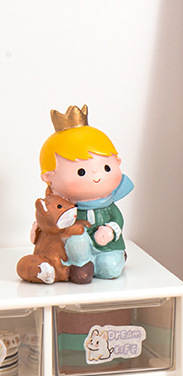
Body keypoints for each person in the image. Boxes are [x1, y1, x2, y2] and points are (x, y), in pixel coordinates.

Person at [39, 105, 133, 281]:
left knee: (109, 268)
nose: (96, 177)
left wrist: (110, 231)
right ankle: (80, 266)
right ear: (49, 178)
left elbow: (117, 219)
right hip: (71, 251)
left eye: (107, 168)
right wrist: (39, 227)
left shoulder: (107, 205)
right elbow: (50, 222)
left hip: (107, 247)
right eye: (81, 172)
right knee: (76, 238)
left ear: (117, 162)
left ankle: (116, 258)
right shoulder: (63, 207)